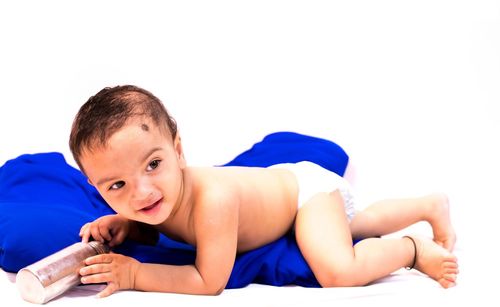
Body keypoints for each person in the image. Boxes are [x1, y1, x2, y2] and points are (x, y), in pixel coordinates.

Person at [69, 85, 458, 298]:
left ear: (179, 151)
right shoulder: (153, 198)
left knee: (339, 269)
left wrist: (136, 274)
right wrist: (127, 225)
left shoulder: (214, 201)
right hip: (287, 189)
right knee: (359, 222)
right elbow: (157, 221)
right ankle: (428, 205)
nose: (142, 193)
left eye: (153, 164)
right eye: (117, 185)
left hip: (305, 196)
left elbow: (209, 282)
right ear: (96, 187)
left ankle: (411, 248)